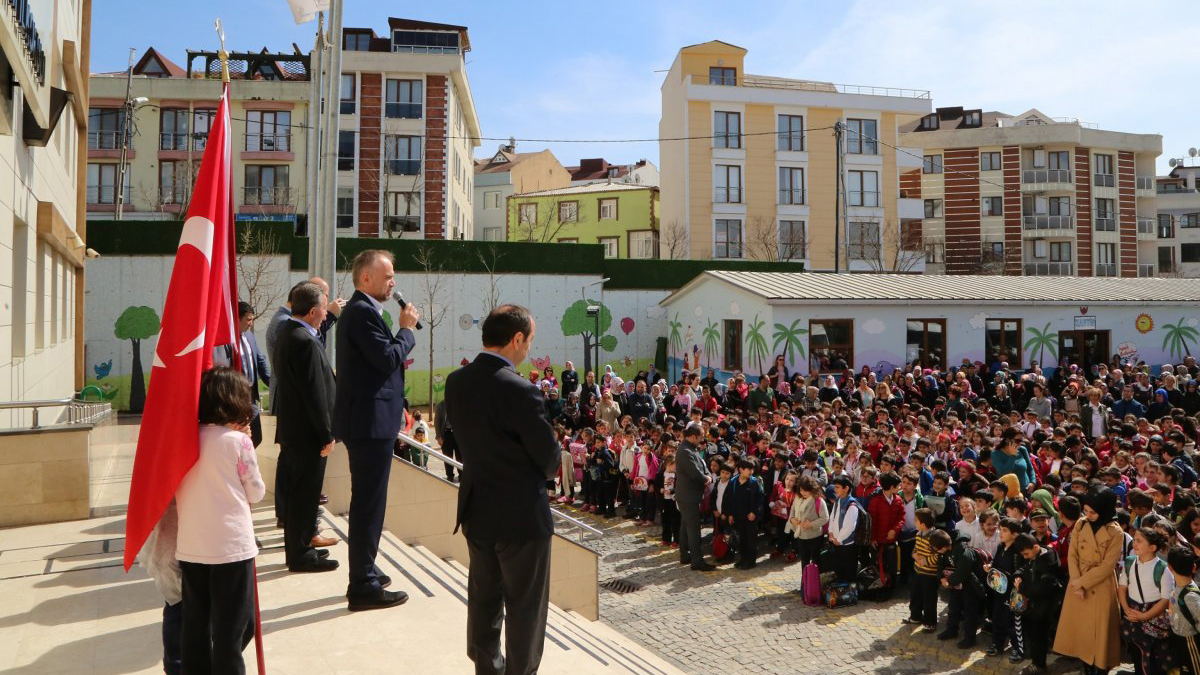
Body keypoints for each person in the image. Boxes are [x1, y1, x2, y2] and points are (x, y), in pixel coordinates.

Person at [444, 304, 561, 675]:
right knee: (525, 610)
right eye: (529, 340)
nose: (528, 348)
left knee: (483, 602)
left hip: (477, 511)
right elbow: (549, 461)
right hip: (521, 519)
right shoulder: (521, 390)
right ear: (516, 339)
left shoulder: (456, 382)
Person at [332, 249, 418, 611]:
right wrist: (407, 331)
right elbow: (386, 358)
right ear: (365, 278)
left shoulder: (365, 312)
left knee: (370, 502)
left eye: (393, 275)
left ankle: (365, 567)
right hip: (368, 424)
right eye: (387, 276)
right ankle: (363, 585)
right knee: (368, 505)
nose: (393, 281)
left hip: (371, 421)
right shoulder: (362, 313)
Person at [174, 367, 265, 675]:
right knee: (233, 632)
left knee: (195, 628)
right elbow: (256, 493)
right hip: (231, 548)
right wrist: (245, 441)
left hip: (191, 546)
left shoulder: (183, 440)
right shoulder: (237, 443)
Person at [272, 282, 338, 572]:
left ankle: (301, 548)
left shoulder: (290, 333)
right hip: (307, 435)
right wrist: (326, 434)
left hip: (297, 432)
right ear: (313, 311)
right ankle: (300, 555)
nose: (326, 315)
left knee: (301, 495)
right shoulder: (303, 341)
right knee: (303, 496)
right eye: (324, 310)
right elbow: (314, 393)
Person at [1054, 487, 1123, 675]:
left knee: (1100, 635)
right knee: (1081, 633)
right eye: (1086, 510)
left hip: (1100, 585)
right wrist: (1076, 582)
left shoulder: (1116, 532)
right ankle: (1085, 665)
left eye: (1093, 511)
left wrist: (1082, 583)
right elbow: (1073, 553)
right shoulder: (1080, 524)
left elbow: (1108, 565)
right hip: (1077, 583)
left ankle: (1100, 668)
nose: (1088, 515)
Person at [1118, 527, 1176, 675]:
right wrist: (1126, 608)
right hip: (1132, 617)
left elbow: (1165, 599)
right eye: (1134, 540)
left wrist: (1145, 616)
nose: (1134, 544)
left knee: (1157, 660)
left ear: (1152, 547)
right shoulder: (1130, 563)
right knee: (1137, 655)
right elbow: (1122, 587)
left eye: (1139, 541)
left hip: (1154, 621)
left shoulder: (1163, 569)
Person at [212, 301, 270, 447]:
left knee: (256, 437)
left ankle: (245, 462)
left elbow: (260, 361)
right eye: (248, 319)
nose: (251, 324)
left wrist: (273, 384)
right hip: (234, 397)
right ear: (236, 319)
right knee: (238, 437)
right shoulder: (225, 340)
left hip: (250, 396)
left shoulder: (249, 336)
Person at [1009, 532, 1064, 675]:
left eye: (1027, 554)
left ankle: (1039, 666)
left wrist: (1022, 587)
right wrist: (1018, 575)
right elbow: (1025, 568)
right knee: (1035, 635)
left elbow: (1042, 589)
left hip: (1043, 607)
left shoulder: (1047, 562)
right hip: (1035, 606)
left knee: (1038, 636)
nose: (1026, 557)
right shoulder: (1035, 555)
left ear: (1035, 547)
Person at [675, 424, 716, 571]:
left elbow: (702, 465)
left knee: (686, 526)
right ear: (692, 437)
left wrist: (707, 475)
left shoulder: (691, 448)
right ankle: (697, 560)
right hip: (688, 495)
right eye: (700, 437)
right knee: (693, 528)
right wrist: (706, 479)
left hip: (689, 494)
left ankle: (685, 555)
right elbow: (694, 472)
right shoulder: (685, 451)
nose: (702, 439)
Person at [726, 457, 766, 569]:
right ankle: (743, 559)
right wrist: (730, 514)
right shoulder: (733, 482)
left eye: (752, 470)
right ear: (741, 470)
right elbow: (729, 499)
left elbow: (760, 499)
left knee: (751, 540)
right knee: (741, 539)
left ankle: (751, 561)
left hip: (750, 517)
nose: (751, 472)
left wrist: (754, 512)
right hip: (738, 517)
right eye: (749, 469)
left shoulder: (754, 482)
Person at [1168, 545, 1200, 675]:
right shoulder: (1178, 587)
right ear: (1194, 567)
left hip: (1190, 642)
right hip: (1179, 639)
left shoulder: (1191, 596)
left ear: (1169, 568)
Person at [827, 476, 860, 584]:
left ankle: (849, 594)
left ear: (846, 488)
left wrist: (839, 539)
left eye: (837, 487)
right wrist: (831, 533)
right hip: (836, 542)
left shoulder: (852, 505)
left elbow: (849, 527)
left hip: (847, 544)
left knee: (849, 571)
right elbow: (832, 517)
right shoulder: (838, 501)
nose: (835, 490)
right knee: (839, 569)